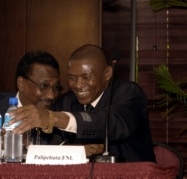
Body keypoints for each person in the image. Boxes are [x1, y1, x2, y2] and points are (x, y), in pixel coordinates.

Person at [10, 44, 156, 162]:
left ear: (107, 74)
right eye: (72, 78)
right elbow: (51, 144)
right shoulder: (67, 101)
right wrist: (20, 141)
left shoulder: (128, 93)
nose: (78, 85)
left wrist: (54, 118)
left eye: (86, 77)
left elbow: (112, 123)